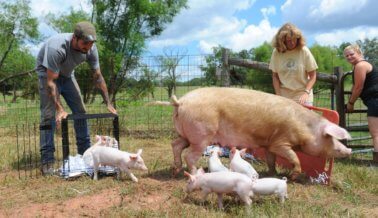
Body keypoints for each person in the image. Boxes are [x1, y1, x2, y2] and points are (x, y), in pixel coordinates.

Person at [36, 21, 117, 175]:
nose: (88, 47)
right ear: (75, 38)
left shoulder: (91, 49)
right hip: (47, 75)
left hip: (67, 75)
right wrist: (59, 109)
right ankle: (47, 162)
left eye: (91, 44)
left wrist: (108, 103)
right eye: (85, 43)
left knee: (81, 111)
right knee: (48, 115)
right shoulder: (57, 47)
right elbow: (51, 82)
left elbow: (98, 77)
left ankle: (86, 155)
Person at [344, 44, 378, 162]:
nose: (349, 57)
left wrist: (351, 103)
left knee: (376, 134)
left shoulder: (360, 65)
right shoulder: (362, 65)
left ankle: (376, 163)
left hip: (375, 100)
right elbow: (355, 86)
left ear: (359, 53)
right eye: (347, 56)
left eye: (351, 54)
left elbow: (358, 87)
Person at [269, 23, 318, 106]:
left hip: (302, 94)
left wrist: (306, 93)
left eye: (294, 39)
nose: (292, 43)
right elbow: (275, 76)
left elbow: (313, 76)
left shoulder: (304, 50)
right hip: (284, 95)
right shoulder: (276, 52)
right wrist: (278, 95)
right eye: (288, 40)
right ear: (282, 40)